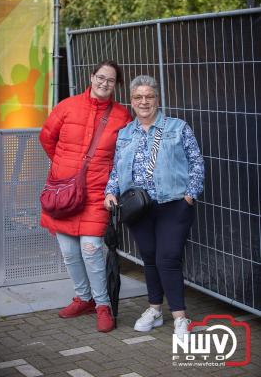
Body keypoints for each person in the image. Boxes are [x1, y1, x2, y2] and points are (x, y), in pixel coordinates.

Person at [104, 75, 204, 339]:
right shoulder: (125, 133)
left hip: (173, 205)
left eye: (149, 96)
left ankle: (180, 317)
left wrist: (189, 196)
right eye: (138, 97)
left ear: (157, 99)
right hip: (138, 208)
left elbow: (196, 163)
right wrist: (110, 193)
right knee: (149, 258)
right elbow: (115, 169)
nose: (144, 101)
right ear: (132, 101)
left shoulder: (177, 127)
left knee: (167, 258)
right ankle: (155, 310)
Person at [39, 60, 132, 333]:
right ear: (91, 77)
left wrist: (112, 186)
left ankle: (102, 305)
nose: (104, 83)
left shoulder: (121, 116)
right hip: (64, 191)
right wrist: (63, 166)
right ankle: (83, 298)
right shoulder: (67, 106)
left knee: (91, 250)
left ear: (116, 85)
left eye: (111, 80)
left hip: (97, 195)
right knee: (69, 252)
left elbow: (124, 156)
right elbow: (47, 137)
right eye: (100, 77)